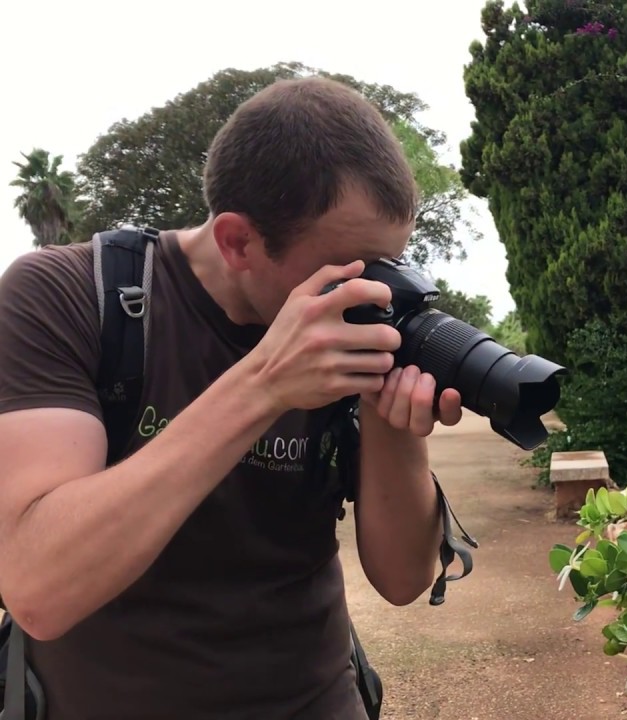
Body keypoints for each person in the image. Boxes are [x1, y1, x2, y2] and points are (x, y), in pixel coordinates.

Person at [0, 76, 464, 719]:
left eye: (388, 266)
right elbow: (39, 589)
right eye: (347, 270)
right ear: (238, 241)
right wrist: (265, 385)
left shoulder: (357, 331)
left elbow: (404, 580)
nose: (372, 294)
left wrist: (393, 423)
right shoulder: (67, 295)